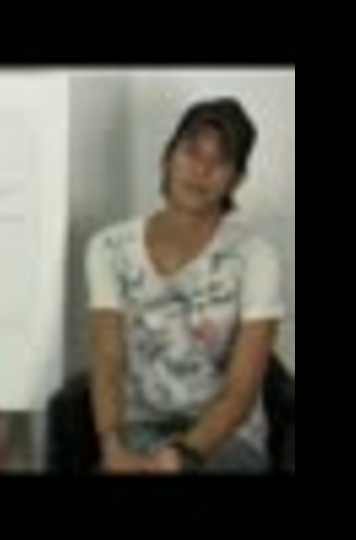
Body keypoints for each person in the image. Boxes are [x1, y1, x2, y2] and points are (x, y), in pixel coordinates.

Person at [85, 97, 285, 474]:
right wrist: (112, 448)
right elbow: (107, 361)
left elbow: (240, 394)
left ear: (236, 180)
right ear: (168, 157)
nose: (201, 170)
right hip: (138, 432)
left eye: (220, 161)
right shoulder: (109, 248)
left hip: (227, 440)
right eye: (192, 152)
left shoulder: (256, 257)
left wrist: (181, 457)